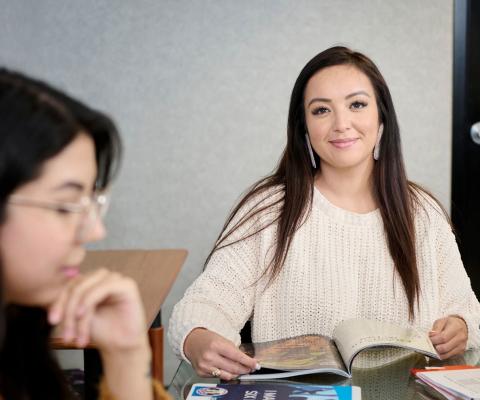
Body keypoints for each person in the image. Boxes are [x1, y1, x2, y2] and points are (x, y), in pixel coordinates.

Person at [168, 46, 480, 381]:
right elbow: (206, 303)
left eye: (357, 104)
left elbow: (465, 310)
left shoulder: (423, 213)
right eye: (321, 111)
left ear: (382, 117)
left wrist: (460, 326)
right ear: (304, 127)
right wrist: (199, 338)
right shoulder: (270, 211)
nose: (341, 124)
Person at [0, 69, 169, 399]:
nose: (96, 231)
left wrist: (126, 357)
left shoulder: (16, 349)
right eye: (65, 206)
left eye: (91, 203)